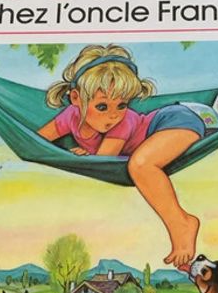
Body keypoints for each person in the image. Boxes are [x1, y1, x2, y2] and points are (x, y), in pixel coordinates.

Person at [38, 44, 204, 266]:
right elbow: (36, 141)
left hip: (174, 122)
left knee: (140, 165)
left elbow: (102, 160)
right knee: (141, 163)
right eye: (102, 106)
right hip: (160, 135)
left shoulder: (123, 122)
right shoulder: (69, 116)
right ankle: (181, 222)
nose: (114, 115)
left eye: (122, 105)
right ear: (76, 98)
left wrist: (85, 155)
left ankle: (181, 223)